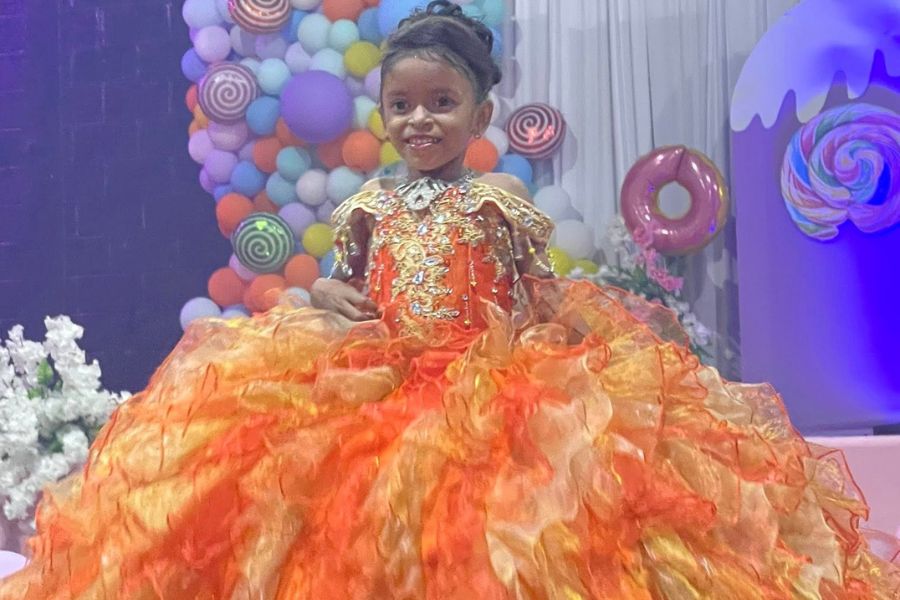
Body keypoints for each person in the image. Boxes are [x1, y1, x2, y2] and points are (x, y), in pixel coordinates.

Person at [2, 1, 899, 598]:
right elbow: (349, 284)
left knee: (504, 538)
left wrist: (564, 349)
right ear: (384, 115)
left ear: (479, 115)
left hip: (489, 383)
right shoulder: (367, 205)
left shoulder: (497, 198)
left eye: (441, 102)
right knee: (346, 532)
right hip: (382, 382)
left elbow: (536, 289)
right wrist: (330, 299)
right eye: (402, 105)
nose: (420, 120)